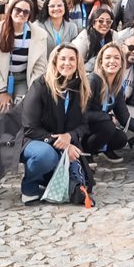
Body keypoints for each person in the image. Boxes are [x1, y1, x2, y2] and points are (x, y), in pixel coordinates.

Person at [18, 43, 93, 205]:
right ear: (55, 62)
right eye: (63, 59)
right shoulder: (41, 85)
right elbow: (30, 127)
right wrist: (63, 144)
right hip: (33, 140)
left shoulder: (81, 88)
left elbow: (84, 125)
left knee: (87, 182)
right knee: (46, 155)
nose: (67, 63)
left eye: (72, 59)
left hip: (63, 140)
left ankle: (47, 181)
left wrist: (69, 136)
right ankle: (29, 185)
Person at [84, 42, 134, 160]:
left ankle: (92, 151)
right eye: (108, 57)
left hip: (98, 125)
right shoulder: (93, 80)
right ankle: (84, 153)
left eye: (116, 58)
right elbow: (82, 114)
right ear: (101, 62)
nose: (112, 61)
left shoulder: (117, 87)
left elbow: (125, 119)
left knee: (120, 139)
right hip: (81, 129)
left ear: (121, 63)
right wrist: (106, 117)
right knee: (108, 126)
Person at [0, 0, 50, 115]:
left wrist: (32, 91)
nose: (21, 14)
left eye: (26, 12)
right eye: (18, 10)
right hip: (2, 78)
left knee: (22, 109)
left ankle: (19, 134)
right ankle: (0, 134)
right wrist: (2, 91)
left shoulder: (39, 35)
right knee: (2, 110)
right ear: (11, 11)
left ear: (29, 15)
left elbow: (40, 66)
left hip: (25, 79)